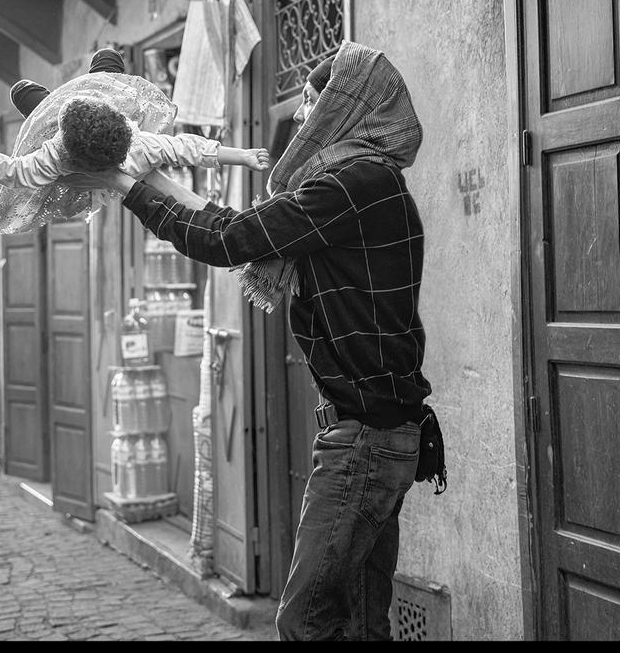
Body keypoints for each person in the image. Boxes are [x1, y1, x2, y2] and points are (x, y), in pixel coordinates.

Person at [70, 40, 431, 641]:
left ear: (351, 106)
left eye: (319, 102)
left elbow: (232, 239)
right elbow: (241, 228)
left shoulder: (355, 183)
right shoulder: (365, 183)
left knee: (306, 623)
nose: (306, 118)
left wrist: (130, 190)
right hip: (377, 429)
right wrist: (146, 179)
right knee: (362, 623)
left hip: (365, 437)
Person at [0, 48, 269, 235]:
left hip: (81, 156)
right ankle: (91, 78)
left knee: (26, 96)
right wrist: (242, 155)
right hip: (91, 122)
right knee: (104, 66)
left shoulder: (56, 154)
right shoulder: (137, 141)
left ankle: (44, 103)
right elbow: (187, 148)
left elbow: (12, 171)